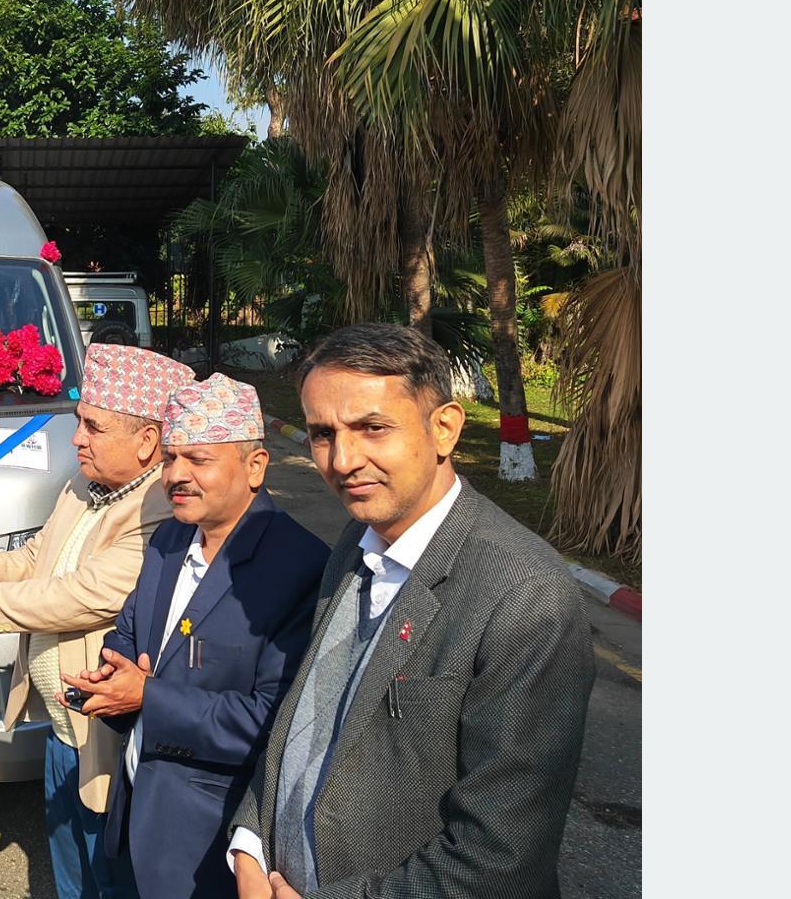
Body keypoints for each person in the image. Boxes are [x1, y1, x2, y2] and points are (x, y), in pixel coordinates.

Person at [227, 323, 595, 899]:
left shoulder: (527, 598)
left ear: (444, 427)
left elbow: (501, 859)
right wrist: (250, 841)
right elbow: (307, 715)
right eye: (323, 434)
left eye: (372, 428)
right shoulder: (356, 543)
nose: (343, 460)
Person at [0, 342, 196, 899]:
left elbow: (81, 595)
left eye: (93, 427)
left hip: (105, 735)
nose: (76, 439)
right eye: (79, 421)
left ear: (147, 440)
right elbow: (37, 561)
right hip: (64, 728)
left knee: (110, 878)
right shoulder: (85, 486)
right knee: (71, 877)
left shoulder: (163, 509)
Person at [62, 374, 327, 899]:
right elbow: (128, 632)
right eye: (169, 459)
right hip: (138, 812)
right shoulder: (170, 539)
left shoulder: (300, 567)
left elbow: (276, 723)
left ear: (255, 466)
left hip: (211, 843)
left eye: (198, 460)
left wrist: (148, 696)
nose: (176, 475)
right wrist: (108, 679)